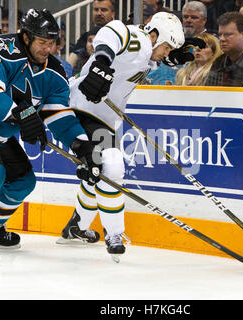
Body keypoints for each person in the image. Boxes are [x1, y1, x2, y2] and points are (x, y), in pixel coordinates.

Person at [0, 9, 99, 271]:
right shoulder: (4, 48)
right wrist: (22, 114)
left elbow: (58, 115)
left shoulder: (55, 73)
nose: (48, 48)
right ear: (26, 37)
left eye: (52, 43)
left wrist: (82, 146)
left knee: (22, 180)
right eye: (42, 42)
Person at [56, 12, 190, 261]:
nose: (165, 52)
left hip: (99, 117)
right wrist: (102, 61)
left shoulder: (146, 54)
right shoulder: (138, 39)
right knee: (113, 165)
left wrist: (171, 56)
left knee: (98, 169)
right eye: (166, 47)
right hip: (82, 109)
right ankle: (114, 233)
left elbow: (141, 61)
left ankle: (77, 226)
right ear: (155, 35)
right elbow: (113, 31)